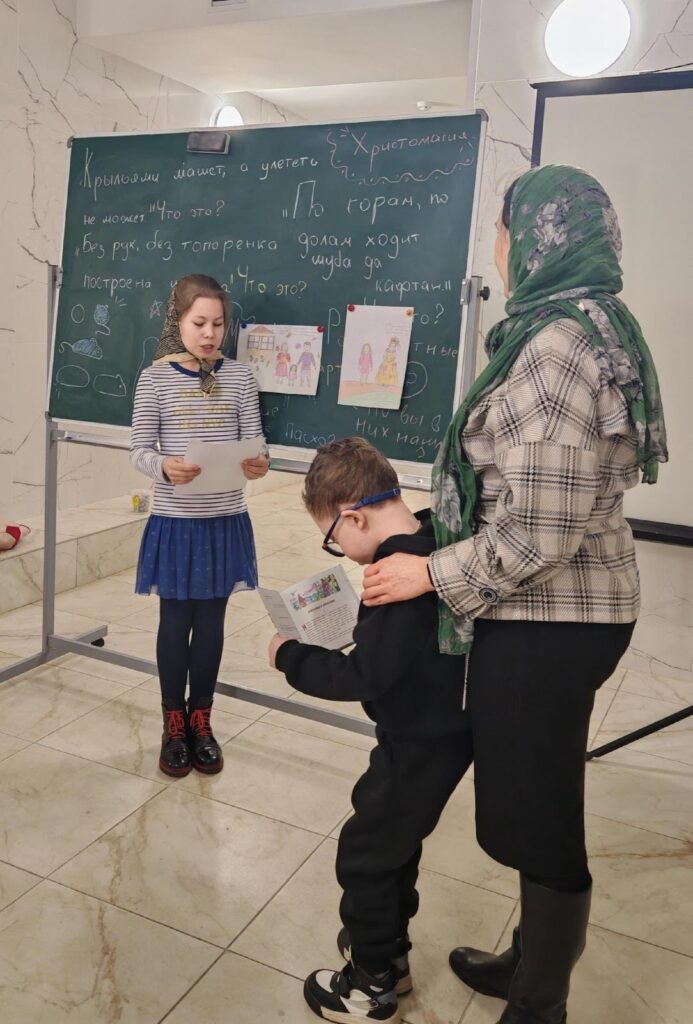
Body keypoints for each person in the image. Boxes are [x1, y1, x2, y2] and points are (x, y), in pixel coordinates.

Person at [361, 165, 668, 1024]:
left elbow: (537, 534)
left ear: (531, 237)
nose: (495, 250)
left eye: (499, 232)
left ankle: (539, 1004)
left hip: (550, 618)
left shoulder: (554, 348)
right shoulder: (584, 324)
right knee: (535, 793)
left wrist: (427, 572)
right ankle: (529, 961)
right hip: (564, 611)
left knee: (539, 809)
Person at [268, 437, 471, 1024]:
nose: (341, 551)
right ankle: (389, 951)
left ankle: (370, 984)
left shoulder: (392, 576)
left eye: (333, 538)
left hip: (417, 736)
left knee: (365, 853)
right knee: (395, 843)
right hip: (444, 726)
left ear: (353, 517)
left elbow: (364, 675)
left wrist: (290, 656)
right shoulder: (434, 540)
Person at [131, 273, 269, 778]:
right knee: (175, 623)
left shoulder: (241, 378)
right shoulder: (155, 379)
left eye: (218, 323)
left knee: (211, 625)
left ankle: (201, 721)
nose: (209, 334)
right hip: (176, 522)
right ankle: (173, 724)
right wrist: (163, 466)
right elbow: (139, 449)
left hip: (224, 520)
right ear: (178, 321)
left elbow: (257, 442)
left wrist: (260, 463)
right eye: (198, 323)